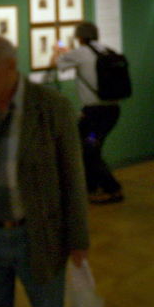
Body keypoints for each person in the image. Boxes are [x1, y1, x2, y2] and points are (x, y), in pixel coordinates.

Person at [0, 36, 89, 307]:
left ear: (9, 67)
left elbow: (73, 177)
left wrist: (78, 240)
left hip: (38, 236)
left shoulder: (52, 106)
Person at [53, 22, 124, 204]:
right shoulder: (107, 50)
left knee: (88, 149)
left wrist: (56, 50)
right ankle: (91, 187)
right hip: (111, 112)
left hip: (95, 116)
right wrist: (69, 52)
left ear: (80, 37)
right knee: (90, 147)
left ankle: (113, 188)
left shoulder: (80, 53)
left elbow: (57, 64)